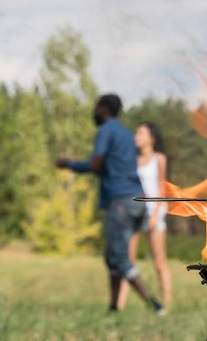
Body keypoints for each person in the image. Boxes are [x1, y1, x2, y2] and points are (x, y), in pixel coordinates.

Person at [56, 94, 165, 315]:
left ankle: (154, 304)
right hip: (137, 201)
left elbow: (96, 163)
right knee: (112, 255)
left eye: (96, 107)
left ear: (104, 109)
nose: (94, 112)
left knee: (119, 257)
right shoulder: (126, 134)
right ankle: (114, 307)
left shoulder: (106, 130)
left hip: (121, 201)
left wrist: (69, 164)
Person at [118, 122, 172, 310]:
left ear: (151, 138)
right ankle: (119, 305)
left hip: (154, 213)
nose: (136, 136)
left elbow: (162, 188)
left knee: (159, 263)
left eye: (140, 133)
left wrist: (155, 214)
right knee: (127, 261)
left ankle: (167, 304)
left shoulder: (159, 159)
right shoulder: (132, 158)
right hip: (134, 212)